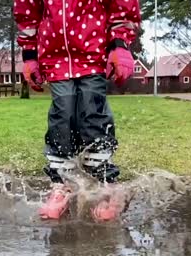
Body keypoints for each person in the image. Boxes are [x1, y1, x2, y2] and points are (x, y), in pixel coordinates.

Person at [13, 0, 142, 221]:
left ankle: (108, 187)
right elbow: (28, 11)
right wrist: (30, 56)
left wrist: (120, 44)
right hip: (55, 59)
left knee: (93, 115)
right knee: (61, 116)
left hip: (93, 52)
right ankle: (61, 186)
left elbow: (122, 5)